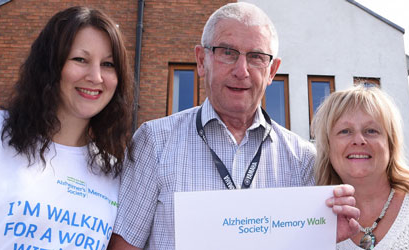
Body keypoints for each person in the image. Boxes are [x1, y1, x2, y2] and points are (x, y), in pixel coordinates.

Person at [109, 3, 359, 249]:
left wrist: (322, 235)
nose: (242, 71)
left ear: (272, 71)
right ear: (201, 60)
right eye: (227, 52)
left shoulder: (303, 159)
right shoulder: (154, 143)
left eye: (256, 57)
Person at [0, 6, 132, 250]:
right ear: (50, 65)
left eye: (108, 64)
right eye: (80, 59)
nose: (96, 76)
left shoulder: (113, 171)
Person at [312, 85, 409, 250]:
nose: (358, 139)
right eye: (345, 131)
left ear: (391, 143)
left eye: (371, 131)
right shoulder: (312, 224)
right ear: (328, 146)